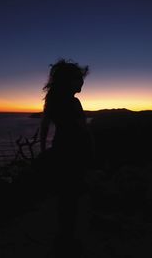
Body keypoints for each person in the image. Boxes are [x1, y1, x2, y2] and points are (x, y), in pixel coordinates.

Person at [40, 58, 93, 257]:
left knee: (65, 197)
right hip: (75, 153)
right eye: (79, 79)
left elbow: (44, 126)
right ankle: (67, 242)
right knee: (72, 198)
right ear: (69, 80)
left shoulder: (52, 99)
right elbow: (83, 130)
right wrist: (91, 152)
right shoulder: (73, 102)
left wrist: (44, 149)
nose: (82, 83)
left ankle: (63, 237)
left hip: (59, 149)